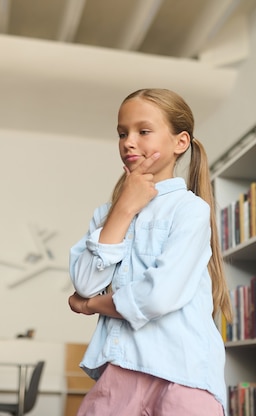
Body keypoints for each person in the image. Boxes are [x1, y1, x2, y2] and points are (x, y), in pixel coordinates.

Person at [68, 88, 232, 415]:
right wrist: (124, 209)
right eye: (122, 133)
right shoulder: (106, 215)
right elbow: (85, 280)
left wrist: (90, 306)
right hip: (120, 369)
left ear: (180, 142)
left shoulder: (190, 210)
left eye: (143, 131)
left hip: (182, 374)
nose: (129, 141)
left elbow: (156, 297)